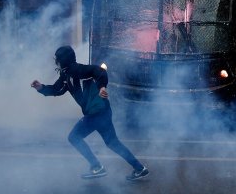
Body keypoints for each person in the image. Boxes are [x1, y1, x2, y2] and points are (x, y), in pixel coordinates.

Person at [31, 45, 149, 180]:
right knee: (112, 142)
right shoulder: (65, 75)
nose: (56, 62)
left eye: (57, 59)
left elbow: (100, 72)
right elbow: (57, 89)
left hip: (96, 113)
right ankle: (139, 168)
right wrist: (41, 88)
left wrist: (102, 87)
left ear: (63, 60)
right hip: (103, 111)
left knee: (74, 137)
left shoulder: (79, 70)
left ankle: (97, 167)